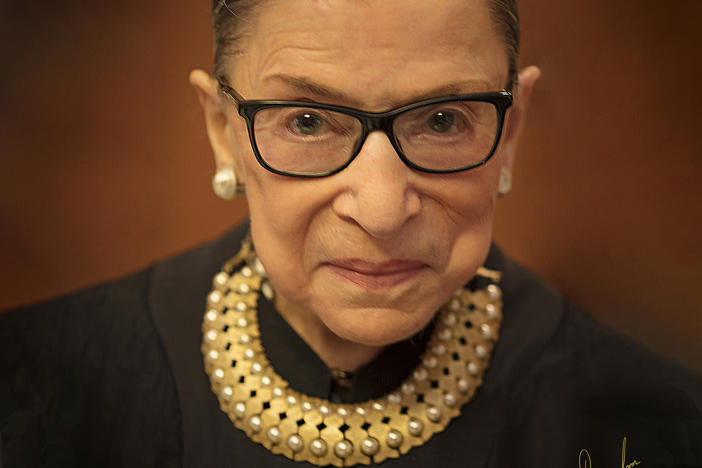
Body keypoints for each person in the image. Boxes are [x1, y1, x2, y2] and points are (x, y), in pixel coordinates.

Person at [1, 0, 700, 467]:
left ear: (509, 133)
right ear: (224, 133)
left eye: (444, 120)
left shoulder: (659, 426)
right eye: (306, 121)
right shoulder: (29, 393)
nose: (381, 207)